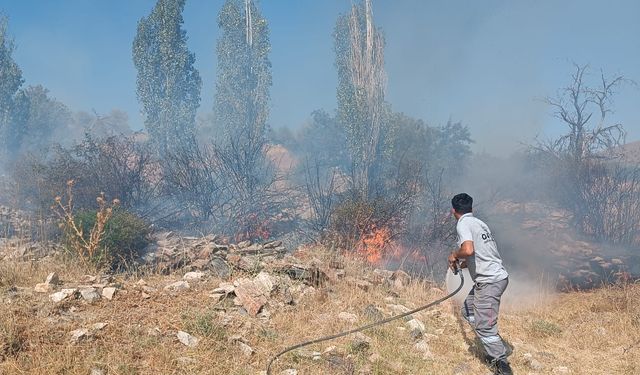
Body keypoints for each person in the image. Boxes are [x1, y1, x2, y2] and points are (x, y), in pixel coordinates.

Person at [448, 193, 513, 375]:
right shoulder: (479, 223)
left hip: (489, 282)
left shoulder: (463, 224)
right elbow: (480, 253)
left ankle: (501, 364)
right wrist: (461, 264)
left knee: (484, 326)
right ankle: (489, 342)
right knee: (468, 310)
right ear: (471, 209)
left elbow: (468, 250)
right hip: (494, 278)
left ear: (453, 211)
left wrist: (454, 255)